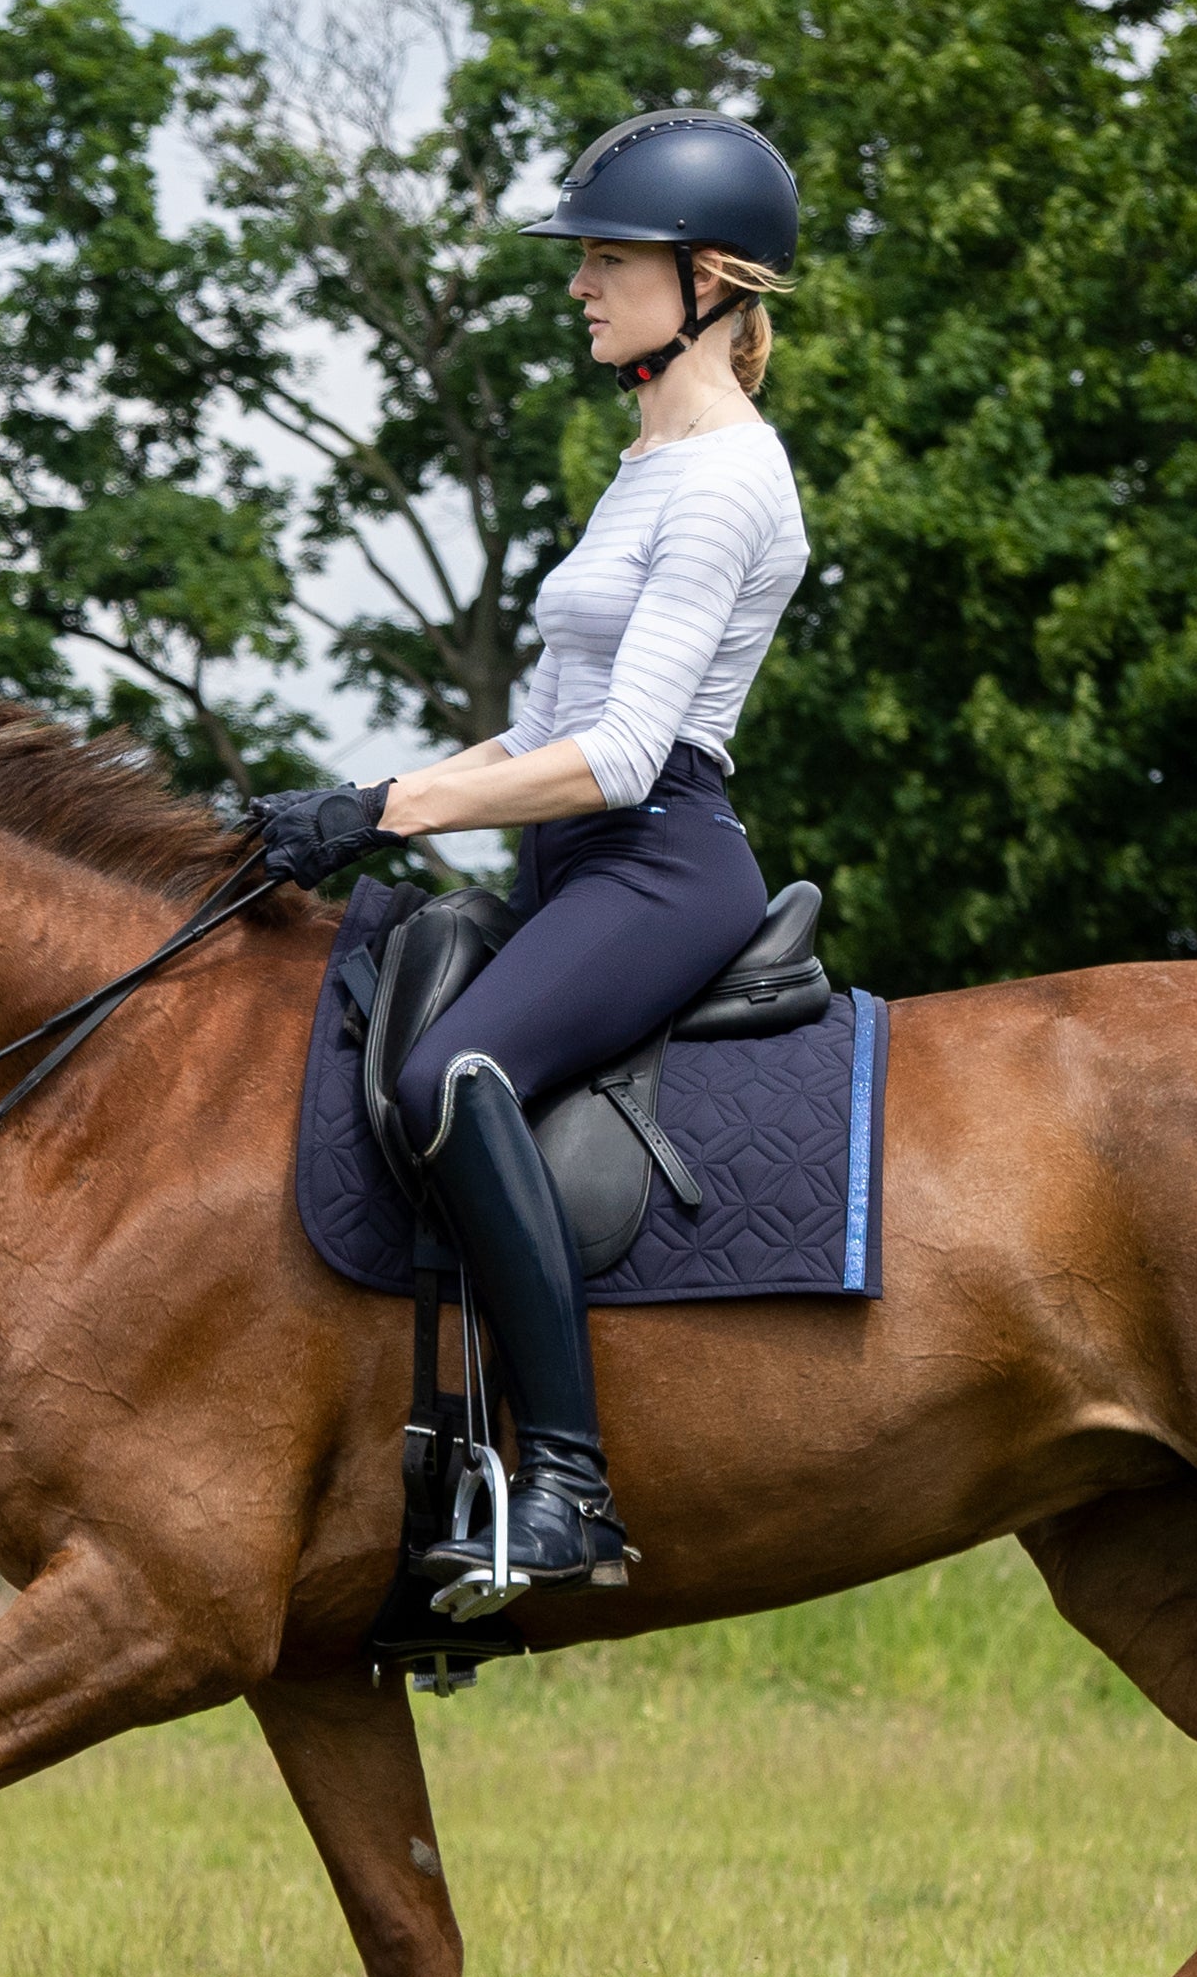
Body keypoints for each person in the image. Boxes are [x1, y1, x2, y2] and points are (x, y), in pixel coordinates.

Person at [255, 109, 811, 1601]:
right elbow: (541, 729)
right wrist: (363, 794)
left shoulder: (726, 480)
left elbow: (626, 752)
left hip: (658, 857)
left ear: (703, 279)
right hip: (573, 859)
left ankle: (565, 1482)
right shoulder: (646, 463)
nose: (577, 283)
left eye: (604, 260)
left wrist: (396, 813)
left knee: (457, 1076)